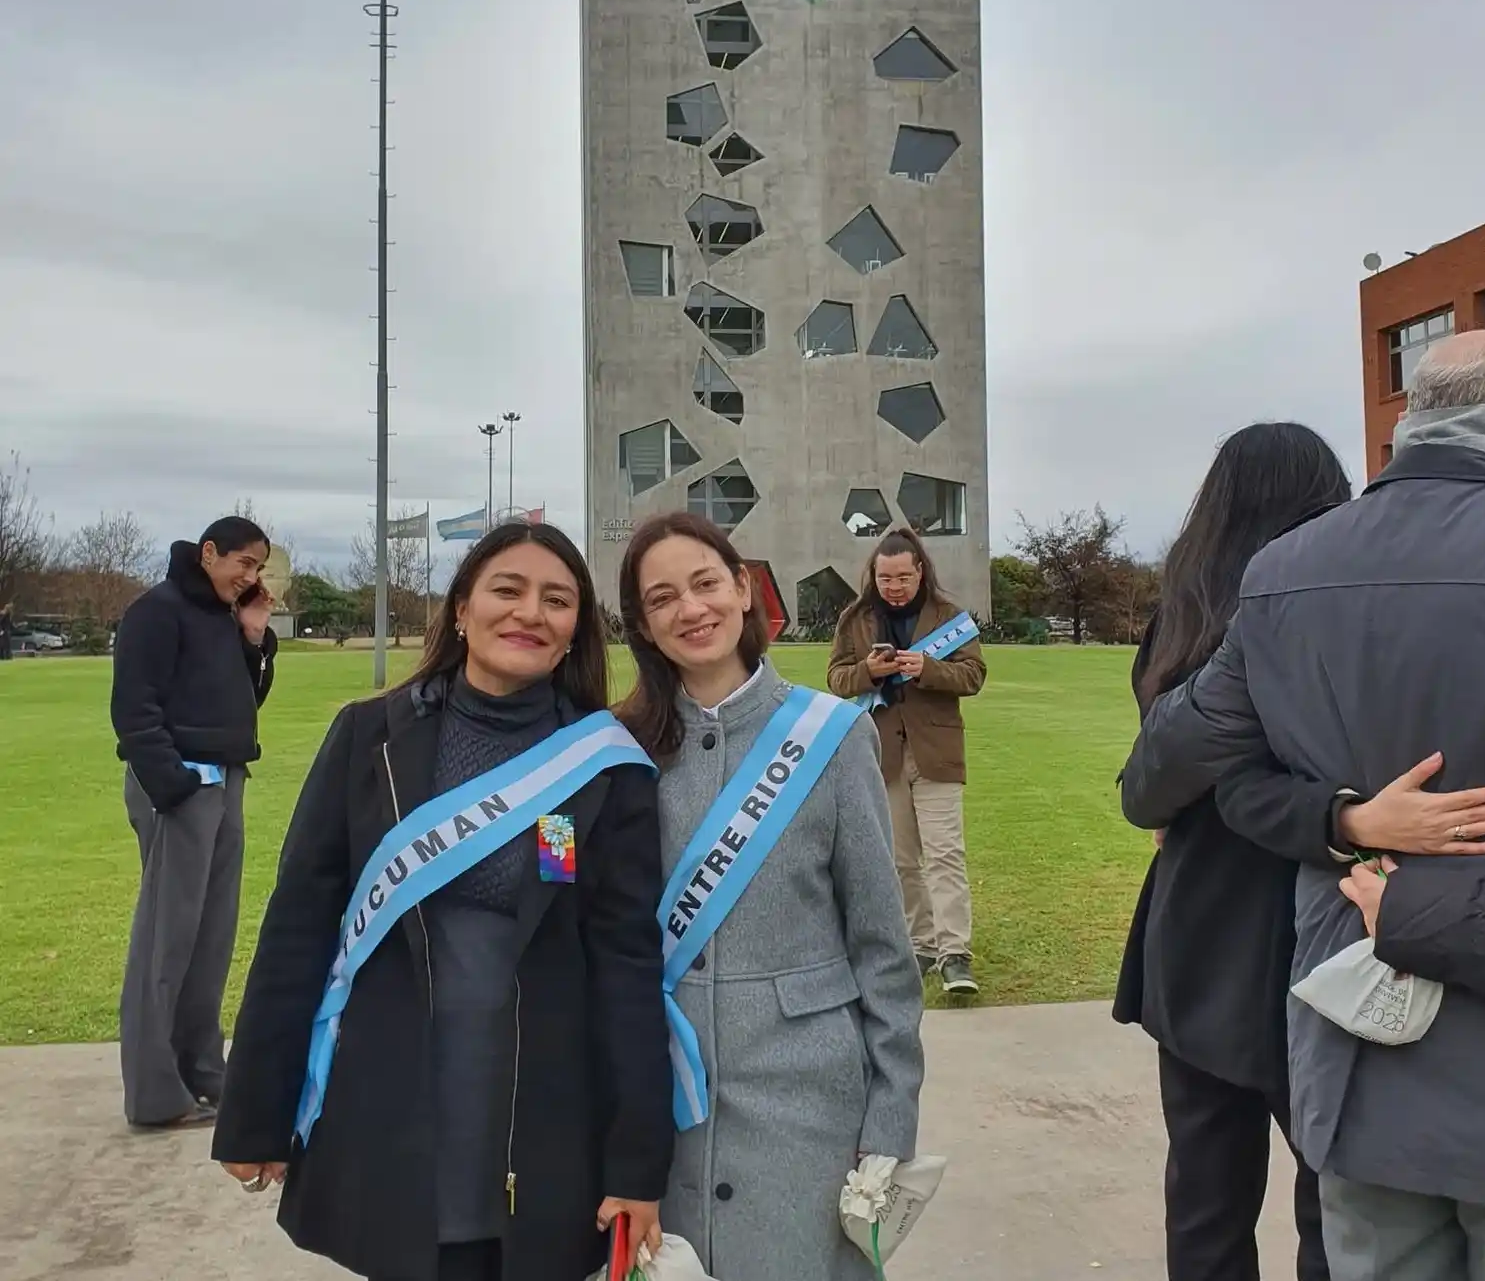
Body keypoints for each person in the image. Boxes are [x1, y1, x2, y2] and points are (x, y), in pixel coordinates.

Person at [1123, 331, 1485, 1281]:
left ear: (1413, 414)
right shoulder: (1282, 582)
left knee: (1234, 1204)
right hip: (1361, 959)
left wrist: (1341, 820)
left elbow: (1167, 776)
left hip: (1313, 982)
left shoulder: (1273, 585)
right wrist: (1346, 819)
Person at [212, 521, 673, 1281]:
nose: (531, 612)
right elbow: (298, 928)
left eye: (557, 600)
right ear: (461, 610)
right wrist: (256, 1113)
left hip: (542, 1112)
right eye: (507, 590)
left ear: (573, 634)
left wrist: (636, 1163)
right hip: (391, 1098)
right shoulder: (368, 738)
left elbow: (626, 968)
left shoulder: (600, 765)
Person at [616, 512, 923, 1281]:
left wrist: (891, 1116)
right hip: (663, 1103)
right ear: (644, 627)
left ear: (745, 591)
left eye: (706, 583)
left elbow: (882, 946)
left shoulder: (834, 734)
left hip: (810, 1103)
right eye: (662, 599)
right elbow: (569, 894)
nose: (691, 609)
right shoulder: (616, 747)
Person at [1114, 423, 1351, 1281]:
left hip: (1202, 925)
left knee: (1207, 1204)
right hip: (1316, 918)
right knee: (1337, 1204)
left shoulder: (1180, 621)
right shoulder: (1327, 618)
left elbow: (1159, 784)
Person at [111, 515, 277, 1130]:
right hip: (179, 791)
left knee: (211, 938)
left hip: (226, 783)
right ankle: (155, 1095)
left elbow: (243, 700)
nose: (251, 577)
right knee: (165, 941)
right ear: (210, 553)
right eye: (244, 564)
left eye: (259, 567)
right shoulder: (155, 612)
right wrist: (174, 786)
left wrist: (254, 637)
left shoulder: (226, 618)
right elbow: (133, 708)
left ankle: (203, 1071)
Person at [827, 527, 987, 996]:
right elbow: (837, 678)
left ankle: (955, 953)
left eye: (902, 577)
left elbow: (974, 675)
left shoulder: (949, 617)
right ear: (873, 575)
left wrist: (928, 669)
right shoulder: (854, 619)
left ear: (920, 573)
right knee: (901, 860)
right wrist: (868, 672)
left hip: (937, 753)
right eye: (885, 577)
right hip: (882, 755)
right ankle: (920, 946)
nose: (893, 586)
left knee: (945, 854)